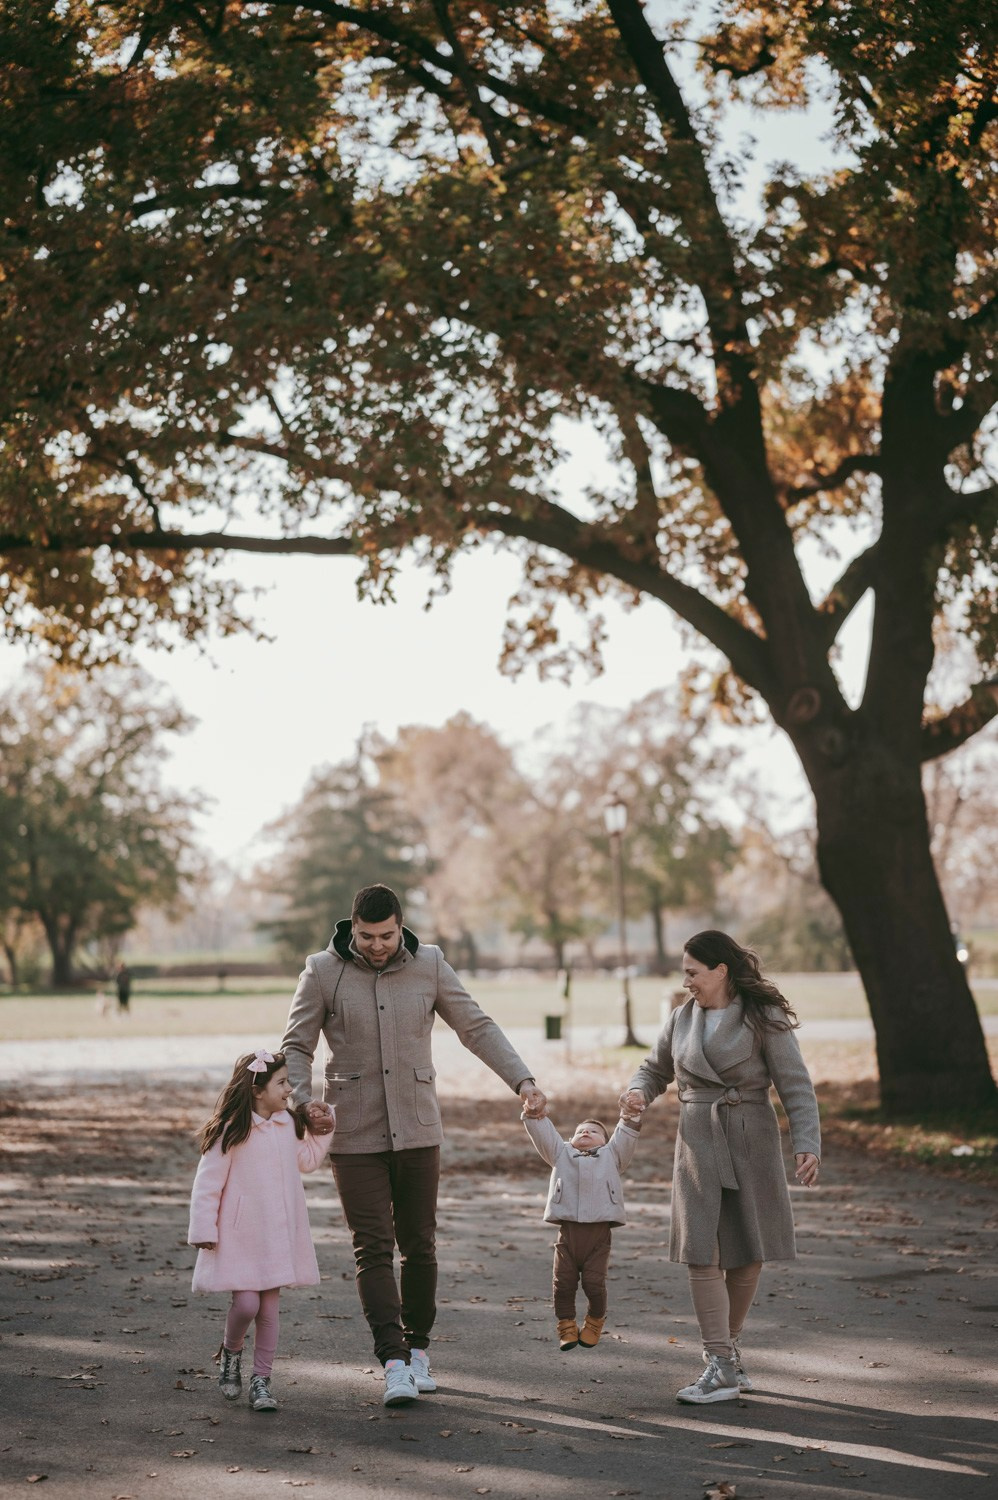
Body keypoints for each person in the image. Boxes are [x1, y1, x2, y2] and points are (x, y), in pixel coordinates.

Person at [281, 882, 547, 1408]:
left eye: (386, 935)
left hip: (419, 1129)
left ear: (400, 925)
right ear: (350, 928)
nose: (377, 946)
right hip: (354, 1133)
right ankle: (394, 1361)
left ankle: (419, 1349)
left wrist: (523, 1080)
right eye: (366, 936)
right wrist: (299, 1102)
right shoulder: (321, 970)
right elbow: (296, 1044)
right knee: (372, 1247)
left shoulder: (429, 964)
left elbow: (476, 1026)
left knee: (419, 1245)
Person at [620, 930, 820, 1405]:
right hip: (697, 1140)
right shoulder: (681, 1018)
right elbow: (653, 1068)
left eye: (692, 972)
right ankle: (722, 1361)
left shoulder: (762, 1017)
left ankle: (725, 1358)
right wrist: (637, 1091)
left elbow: (795, 1083)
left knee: (749, 1249)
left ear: (720, 970)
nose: (686, 981)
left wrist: (807, 1143)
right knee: (700, 1251)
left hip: (750, 1133)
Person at [188, 1048, 334, 1413]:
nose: (289, 1090)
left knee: (269, 1309)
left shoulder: (289, 1125)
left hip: (277, 1234)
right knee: (247, 1302)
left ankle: (262, 1381)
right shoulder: (230, 1131)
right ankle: (231, 1352)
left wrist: (324, 1126)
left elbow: (309, 1161)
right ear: (257, 1089)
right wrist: (204, 1228)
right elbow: (208, 1185)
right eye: (282, 1083)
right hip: (241, 1235)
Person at [522, 1104, 642, 1352]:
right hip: (568, 1235)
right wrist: (535, 1116)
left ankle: (595, 1320)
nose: (585, 1133)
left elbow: (625, 1137)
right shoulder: (561, 1154)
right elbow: (545, 1135)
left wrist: (629, 1117)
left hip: (598, 1236)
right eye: (580, 1131)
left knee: (593, 1283)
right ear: (571, 1139)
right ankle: (566, 1325)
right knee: (562, 1283)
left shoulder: (613, 1156)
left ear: (606, 1142)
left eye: (593, 1131)